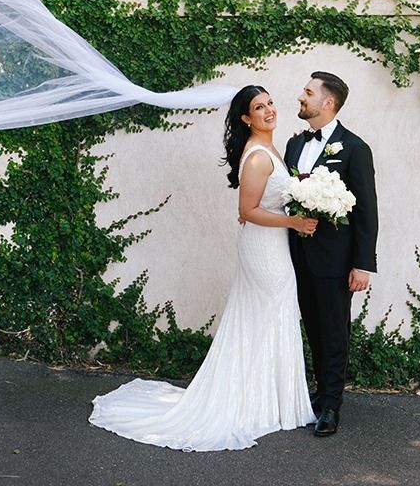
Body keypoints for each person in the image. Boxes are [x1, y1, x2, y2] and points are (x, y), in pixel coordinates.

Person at [89, 85, 318, 451]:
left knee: (267, 316)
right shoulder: (258, 157)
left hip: (271, 244)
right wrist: (294, 223)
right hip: (264, 248)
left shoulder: (270, 147)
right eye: (259, 107)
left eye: (270, 102)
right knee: (268, 316)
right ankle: (259, 405)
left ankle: (272, 402)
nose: (269, 110)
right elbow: (247, 212)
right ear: (246, 118)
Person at [284, 71, 379, 437]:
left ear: (328, 103)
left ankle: (332, 406)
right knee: (313, 328)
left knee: (335, 332)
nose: (300, 98)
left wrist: (362, 264)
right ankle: (321, 392)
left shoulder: (354, 148)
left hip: (336, 261)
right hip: (296, 256)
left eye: (307, 93)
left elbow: (367, 211)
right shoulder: (294, 145)